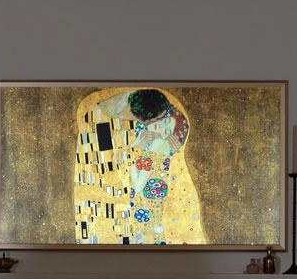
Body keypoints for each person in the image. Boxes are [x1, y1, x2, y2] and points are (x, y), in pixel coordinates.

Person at [73, 87, 206, 245]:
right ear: (139, 117)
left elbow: (179, 125)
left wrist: (173, 146)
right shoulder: (99, 118)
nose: (159, 125)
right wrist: (135, 147)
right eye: (153, 122)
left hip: (151, 181)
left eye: (162, 120)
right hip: (113, 188)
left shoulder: (160, 106)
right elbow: (103, 161)